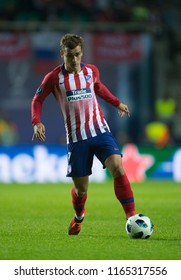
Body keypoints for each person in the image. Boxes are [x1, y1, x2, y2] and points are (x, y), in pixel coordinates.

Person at [31, 34, 136, 235]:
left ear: (82, 53)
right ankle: (79, 217)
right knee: (81, 190)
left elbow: (98, 87)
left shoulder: (91, 71)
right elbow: (37, 100)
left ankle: (131, 215)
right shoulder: (54, 78)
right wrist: (36, 122)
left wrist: (116, 103)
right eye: (70, 55)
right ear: (62, 54)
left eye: (78, 54)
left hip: (99, 130)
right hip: (77, 139)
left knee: (117, 166)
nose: (74, 60)